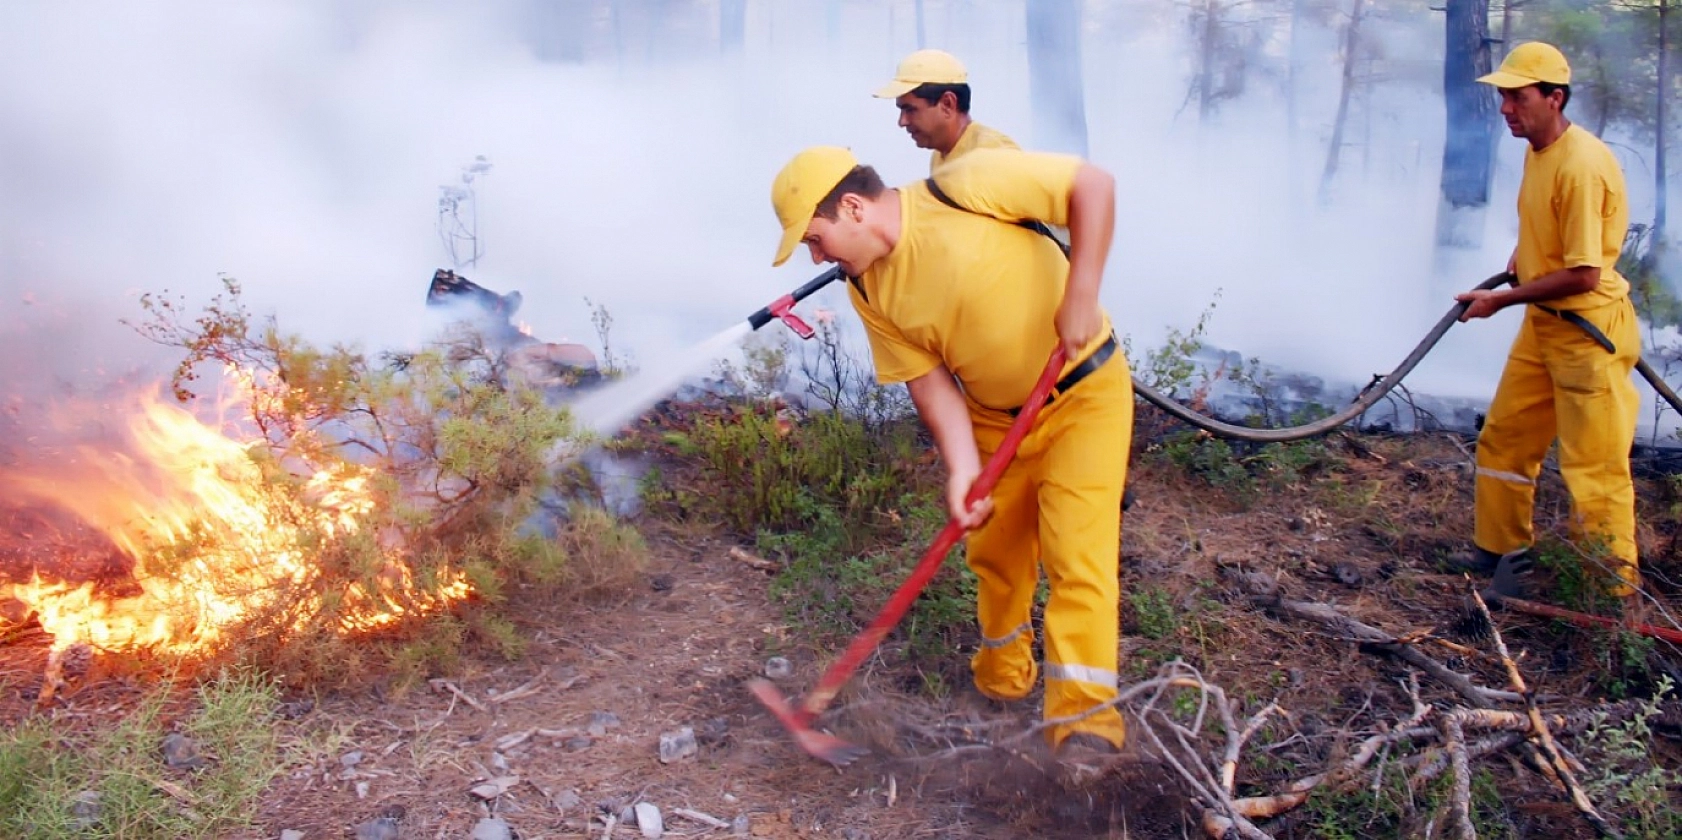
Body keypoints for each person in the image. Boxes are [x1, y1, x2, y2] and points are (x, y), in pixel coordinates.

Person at [767, 144, 1131, 756]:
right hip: (993, 418)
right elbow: (929, 380)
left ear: (852, 207)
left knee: (1077, 557)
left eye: (816, 239)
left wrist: (1082, 291)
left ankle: (1086, 729)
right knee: (995, 553)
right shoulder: (868, 289)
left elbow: (1093, 185)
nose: (817, 257)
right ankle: (1003, 679)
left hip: (1081, 396)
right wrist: (963, 468)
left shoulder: (966, 185)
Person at [1453, 41, 1641, 610]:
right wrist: (1524, 252)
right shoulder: (1541, 149)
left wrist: (1500, 301)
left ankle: (1608, 594)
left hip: (1587, 334)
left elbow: (1584, 274)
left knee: (1595, 469)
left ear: (1554, 98)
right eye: (1504, 96)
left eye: (1518, 96)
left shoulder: (1582, 166)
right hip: (1546, 328)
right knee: (1506, 438)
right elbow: (1555, 228)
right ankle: (1498, 552)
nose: (1507, 107)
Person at [873, 49, 1019, 172]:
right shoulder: (940, 154)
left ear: (947, 104)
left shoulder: (993, 156)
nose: (902, 122)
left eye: (910, 110)